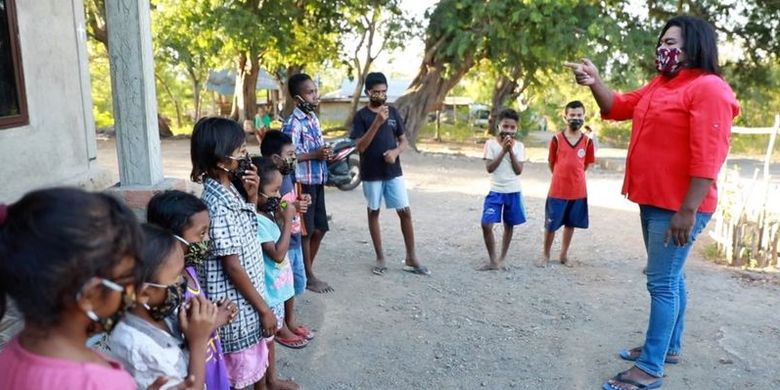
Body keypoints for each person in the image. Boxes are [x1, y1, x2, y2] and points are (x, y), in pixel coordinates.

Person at [565, 15, 739, 389]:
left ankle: (650, 367)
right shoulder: (662, 84)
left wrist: (687, 211)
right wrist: (595, 82)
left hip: (679, 207)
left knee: (660, 283)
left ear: (695, 47)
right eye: (663, 42)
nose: (665, 49)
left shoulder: (709, 88)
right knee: (671, 279)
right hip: (654, 200)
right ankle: (668, 347)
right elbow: (618, 106)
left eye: (673, 44)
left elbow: (709, 156)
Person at [0, 188, 142, 389]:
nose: (132, 293)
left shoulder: (11, 354)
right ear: (90, 295)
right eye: (127, 281)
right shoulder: (99, 382)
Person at [190, 117, 277, 389]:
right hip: (236, 307)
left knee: (254, 362)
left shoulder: (230, 192)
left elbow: (248, 232)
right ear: (221, 161)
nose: (246, 157)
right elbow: (233, 266)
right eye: (240, 151)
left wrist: (252, 199)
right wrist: (264, 309)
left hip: (247, 298)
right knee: (239, 372)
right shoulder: (217, 206)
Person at [106, 224, 218, 390]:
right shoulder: (138, 347)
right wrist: (199, 342)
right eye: (177, 277)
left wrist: (208, 322)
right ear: (144, 293)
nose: (183, 282)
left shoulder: (160, 309)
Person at [147, 190, 238, 390]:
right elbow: (180, 336)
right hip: (192, 373)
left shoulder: (189, 271)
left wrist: (211, 311)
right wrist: (216, 320)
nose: (207, 240)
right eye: (202, 233)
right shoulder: (163, 290)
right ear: (169, 237)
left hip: (210, 363)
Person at [349, 72, 430, 276]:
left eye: (384, 91)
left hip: (393, 171)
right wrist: (376, 123)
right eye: (376, 92)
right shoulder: (361, 117)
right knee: (373, 212)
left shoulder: (393, 112)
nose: (381, 95)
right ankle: (380, 257)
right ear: (368, 92)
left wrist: (395, 152)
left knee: (405, 211)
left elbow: (403, 140)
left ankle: (411, 256)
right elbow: (360, 146)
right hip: (371, 173)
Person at [260, 131, 316, 345]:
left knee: (289, 284)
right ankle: (281, 326)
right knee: (281, 284)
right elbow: (276, 209)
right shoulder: (272, 180)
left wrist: (301, 201)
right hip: (283, 240)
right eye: (291, 153)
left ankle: (289, 320)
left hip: (292, 239)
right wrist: (291, 209)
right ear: (276, 158)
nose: (295, 157)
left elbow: (288, 203)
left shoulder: (287, 175)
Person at [282, 73, 334, 293]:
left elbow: (317, 150)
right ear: (297, 98)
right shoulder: (293, 123)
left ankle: (304, 269)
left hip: (317, 180)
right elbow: (288, 157)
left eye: (315, 91)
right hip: (303, 182)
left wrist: (326, 153)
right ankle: (308, 276)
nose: (315, 96)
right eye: (310, 92)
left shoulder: (313, 119)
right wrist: (314, 154)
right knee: (306, 230)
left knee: (320, 228)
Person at [253, 157, 300, 389]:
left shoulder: (268, 215)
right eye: (273, 192)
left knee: (270, 340)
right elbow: (278, 254)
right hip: (268, 293)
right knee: (264, 342)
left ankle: (271, 379)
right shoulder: (257, 222)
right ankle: (265, 382)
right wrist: (288, 220)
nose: (278, 197)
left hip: (276, 291)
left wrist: (283, 218)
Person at [540, 100, 596, 268]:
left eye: (579, 115)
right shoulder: (556, 139)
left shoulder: (587, 142)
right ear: (565, 117)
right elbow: (552, 162)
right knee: (551, 224)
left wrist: (575, 176)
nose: (576, 118)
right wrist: (560, 176)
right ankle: (545, 254)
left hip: (577, 191)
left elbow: (586, 164)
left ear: (584, 117)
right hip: (557, 190)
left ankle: (563, 254)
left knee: (570, 224)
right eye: (572, 115)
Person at [477, 108, 527, 271]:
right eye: (505, 126)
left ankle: (502, 258)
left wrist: (510, 151)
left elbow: (518, 170)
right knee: (486, 224)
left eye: (512, 128)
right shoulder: (490, 144)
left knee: (509, 225)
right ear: (498, 126)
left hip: (513, 191)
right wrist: (503, 151)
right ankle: (492, 260)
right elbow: (490, 168)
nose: (509, 130)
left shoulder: (519, 146)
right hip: (495, 191)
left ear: (517, 129)